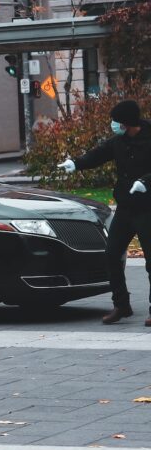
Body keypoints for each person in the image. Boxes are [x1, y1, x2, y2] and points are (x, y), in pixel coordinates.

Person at [58, 99, 151, 326]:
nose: (113, 125)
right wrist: (76, 163)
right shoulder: (119, 141)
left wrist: (146, 182)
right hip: (126, 208)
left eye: (116, 121)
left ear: (128, 122)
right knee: (111, 254)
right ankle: (121, 305)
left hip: (148, 208)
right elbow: (98, 154)